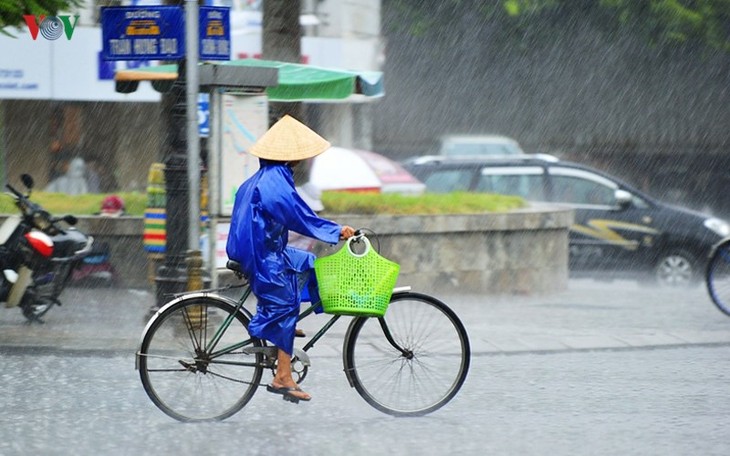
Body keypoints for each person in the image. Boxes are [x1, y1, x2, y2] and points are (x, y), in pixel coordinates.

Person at [226, 115, 356, 404]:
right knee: (284, 303)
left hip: (262, 248)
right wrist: (336, 231)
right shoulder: (275, 182)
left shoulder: (264, 177)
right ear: (293, 157)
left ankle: (283, 320)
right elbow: (299, 216)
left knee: (307, 263)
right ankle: (282, 375)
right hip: (261, 254)